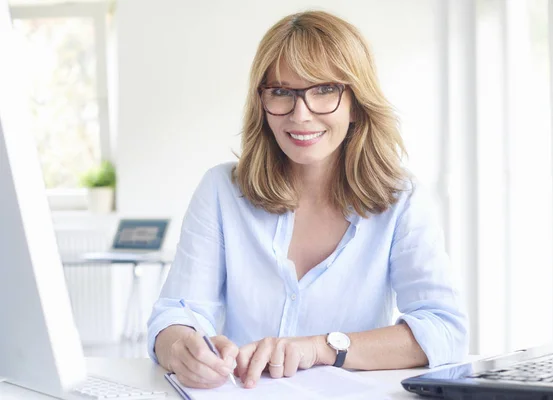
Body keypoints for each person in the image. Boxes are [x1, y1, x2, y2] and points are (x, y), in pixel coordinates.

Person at [147, 10, 469, 390]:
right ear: (262, 102)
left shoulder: (401, 200)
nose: (301, 115)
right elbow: (177, 312)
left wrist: (321, 348)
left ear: (356, 102)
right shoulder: (221, 190)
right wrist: (182, 346)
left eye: (323, 90)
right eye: (282, 92)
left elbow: (444, 329)